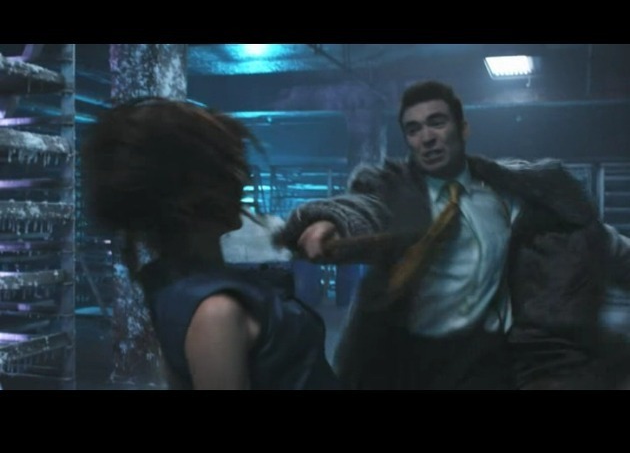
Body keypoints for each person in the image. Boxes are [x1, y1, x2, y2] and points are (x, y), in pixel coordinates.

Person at [275, 80, 630, 390]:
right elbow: (370, 206)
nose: (426, 137)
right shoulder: (404, 195)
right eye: (414, 129)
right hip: (415, 365)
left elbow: (606, 248)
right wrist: (332, 222)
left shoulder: (532, 209)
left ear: (462, 129)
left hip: (502, 367)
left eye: (437, 122)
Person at [80, 96, 342, 390]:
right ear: (193, 193)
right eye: (227, 170)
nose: (243, 180)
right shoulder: (215, 311)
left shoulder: (171, 283)